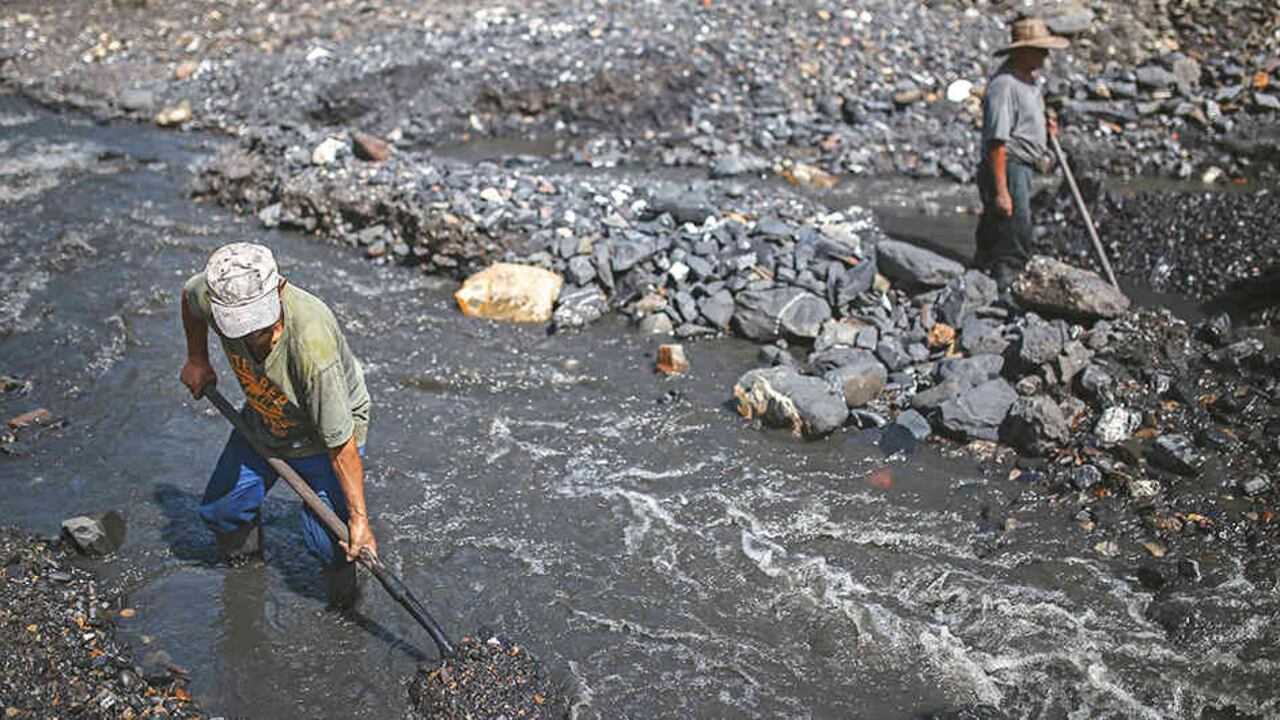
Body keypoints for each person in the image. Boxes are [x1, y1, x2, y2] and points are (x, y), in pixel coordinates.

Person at [178, 242, 375, 607]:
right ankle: (246, 580)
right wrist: (197, 358)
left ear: (279, 289)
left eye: (259, 326)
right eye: (240, 328)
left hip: (322, 437)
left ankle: (345, 605)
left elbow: (340, 444)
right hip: (265, 415)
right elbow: (190, 299)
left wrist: (360, 521)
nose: (253, 337)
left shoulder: (313, 348)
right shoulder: (211, 293)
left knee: (332, 543)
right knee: (223, 510)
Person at [974, 16, 1069, 288]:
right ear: (1022, 51)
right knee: (1015, 224)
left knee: (997, 223)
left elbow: (1026, 120)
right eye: (1040, 50)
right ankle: (1010, 283)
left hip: (1022, 165)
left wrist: (1045, 124)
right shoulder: (1004, 85)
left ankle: (981, 275)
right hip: (1008, 164)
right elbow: (996, 141)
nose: (1046, 55)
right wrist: (1002, 189)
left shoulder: (1028, 82)